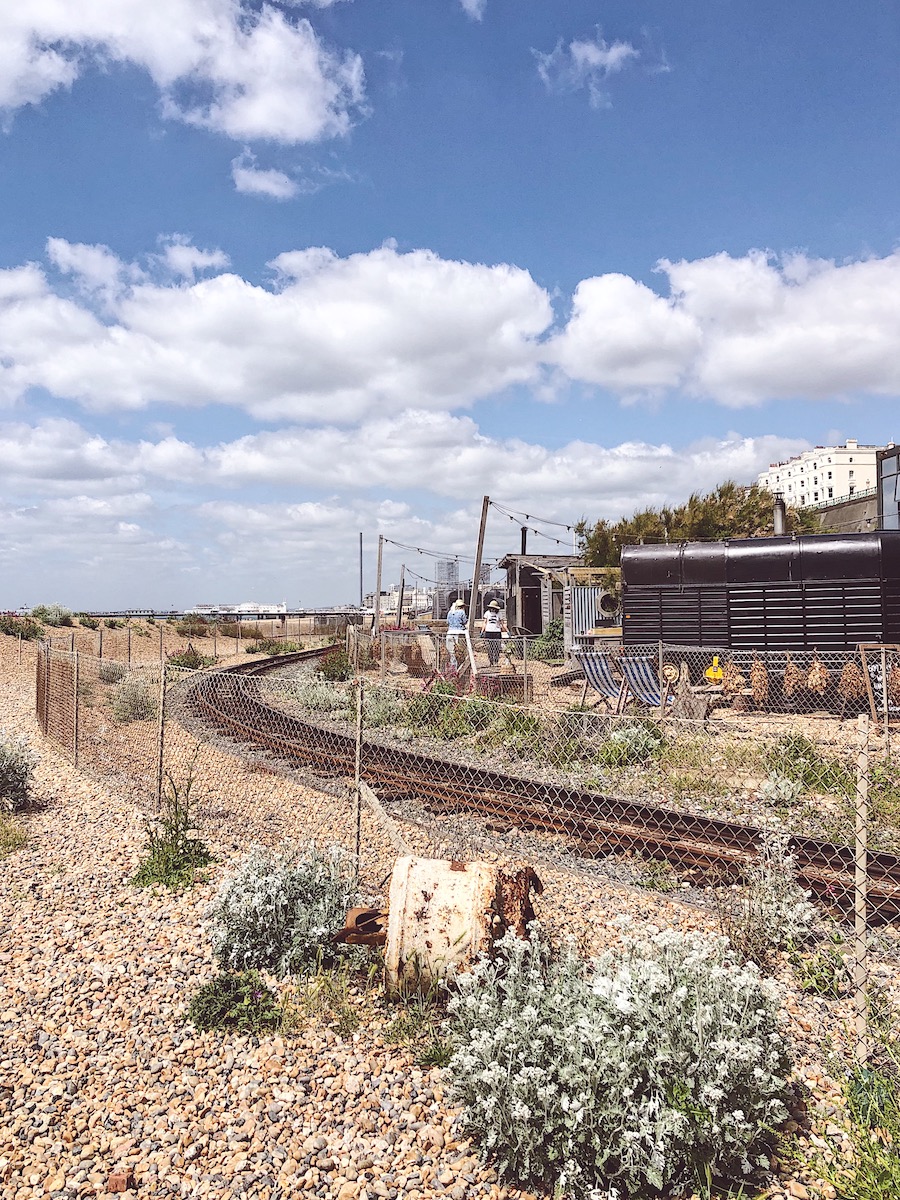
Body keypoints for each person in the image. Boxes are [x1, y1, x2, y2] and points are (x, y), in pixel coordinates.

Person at [481, 599, 506, 665]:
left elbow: (502, 623)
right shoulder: (487, 613)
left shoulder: (499, 614)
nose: (493, 609)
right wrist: (482, 631)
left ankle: (496, 661)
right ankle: (491, 661)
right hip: (489, 631)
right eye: (491, 608)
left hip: (497, 631)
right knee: (489, 647)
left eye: (494, 608)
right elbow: (485, 623)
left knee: (497, 647)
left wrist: (507, 630)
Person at [445, 598, 467, 670]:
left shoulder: (450, 612)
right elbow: (464, 621)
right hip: (459, 632)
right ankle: (459, 668)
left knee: (451, 651)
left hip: (450, 632)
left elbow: (447, 622)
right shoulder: (462, 612)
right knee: (459, 651)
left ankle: (452, 667)